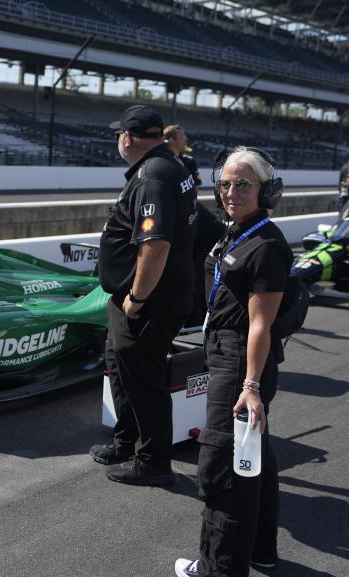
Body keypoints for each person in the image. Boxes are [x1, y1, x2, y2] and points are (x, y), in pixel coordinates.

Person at [174, 147, 293, 577]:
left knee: (223, 465)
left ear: (267, 191)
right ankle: (261, 549)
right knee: (254, 457)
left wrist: (251, 385)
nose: (230, 191)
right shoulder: (238, 233)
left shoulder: (264, 245)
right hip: (228, 353)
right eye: (224, 183)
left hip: (241, 365)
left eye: (243, 184)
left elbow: (260, 323)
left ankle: (218, 575)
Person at [91, 105, 198, 486]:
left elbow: (156, 245)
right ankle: (126, 439)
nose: (117, 140)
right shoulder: (169, 165)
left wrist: (136, 297)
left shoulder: (153, 175)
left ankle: (153, 460)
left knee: (143, 379)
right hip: (141, 297)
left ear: (128, 138)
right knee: (120, 368)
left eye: (118, 134)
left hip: (146, 301)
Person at [165, 124, 226, 328]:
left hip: (194, 220)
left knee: (195, 277)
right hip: (183, 220)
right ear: (171, 139)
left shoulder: (188, 161)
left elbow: (194, 192)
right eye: (181, 136)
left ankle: (196, 322)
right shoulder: (161, 161)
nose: (185, 140)